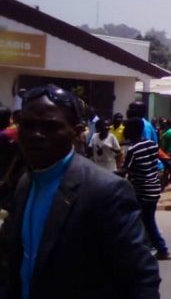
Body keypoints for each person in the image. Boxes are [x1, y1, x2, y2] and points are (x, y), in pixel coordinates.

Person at [1, 85, 160, 298]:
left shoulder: (106, 190)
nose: (36, 135)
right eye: (28, 125)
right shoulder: (25, 184)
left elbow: (141, 278)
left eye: (50, 126)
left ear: (75, 133)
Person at [122, 117, 171, 261]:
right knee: (147, 221)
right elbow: (165, 161)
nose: (124, 130)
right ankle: (158, 248)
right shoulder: (151, 144)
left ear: (133, 130)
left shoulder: (133, 150)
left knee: (139, 221)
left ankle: (157, 249)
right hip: (154, 189)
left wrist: (105, 174)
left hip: (141, 191)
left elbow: (125, 170)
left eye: (126, 128)